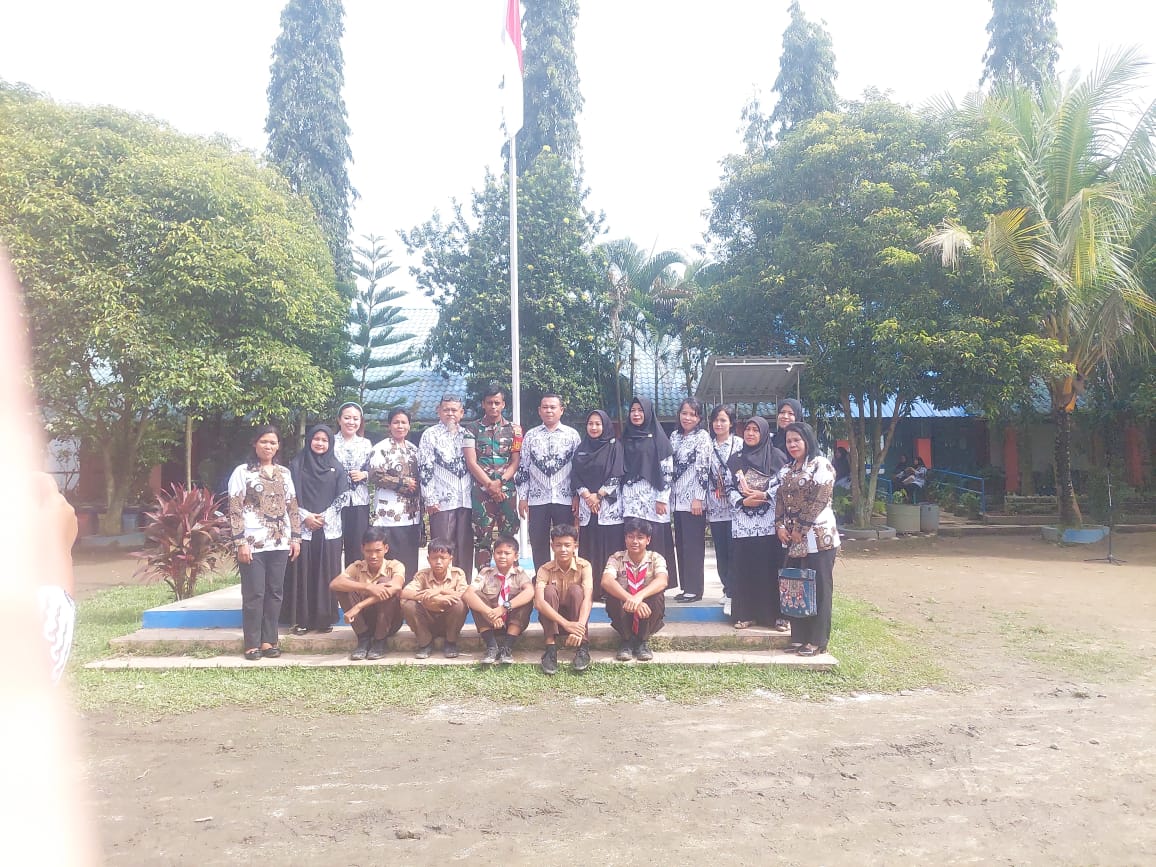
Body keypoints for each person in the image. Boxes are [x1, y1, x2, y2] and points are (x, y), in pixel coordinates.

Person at [227, 425, 302, 660]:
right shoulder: (243, 472)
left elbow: (292, 505)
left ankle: (270, 640)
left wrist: (296, 538)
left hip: (279, 542)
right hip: (253, 542)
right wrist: (240, 542)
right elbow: (235, 507)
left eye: (272, 442)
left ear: (278, 446)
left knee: (275, 592)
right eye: (264, 441)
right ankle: (252, 643)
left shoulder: (284, 473)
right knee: (254, 593)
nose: (268, 446)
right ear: (255, 444)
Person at [776, 421, 840, 656]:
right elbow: (779, 500)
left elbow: (820, 498)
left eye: (797, 440)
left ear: (807, 441)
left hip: (819, 538)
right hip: (793, 540)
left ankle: (817, 640)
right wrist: (779, 525)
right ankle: (799, 637)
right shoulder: (786, 470)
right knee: (797, 587)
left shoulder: (821, 465)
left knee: (820, 589)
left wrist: (800, 528)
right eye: (789, 441)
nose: (792, 445)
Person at [283, 424, 348, 635]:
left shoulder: (337, 467)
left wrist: (324, 517)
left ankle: (324, 619)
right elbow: (289, 495)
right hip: (303, 528)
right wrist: (306, 517)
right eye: (316, 439)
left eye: (324, 440)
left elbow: (343, 496)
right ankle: (301, 620)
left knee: (326, 574)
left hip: (328, 529)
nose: (320, 443)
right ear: (309, 440)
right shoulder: (297, 465)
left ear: (330, 443)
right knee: (303, 574)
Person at [726, 416, 788, 631]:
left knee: (770, 567)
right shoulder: (735, 459)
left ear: (763, 433)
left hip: (769, 521)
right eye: (747, 429)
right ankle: (746, 614)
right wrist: (742, 501)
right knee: (745, 568)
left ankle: (776, 616)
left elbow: (784, 485)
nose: (750, 433)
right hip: (743, 522)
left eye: (755, 430)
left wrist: (765, 494)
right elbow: (727, 487)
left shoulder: (778, 457)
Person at [516, 393, 581, 570]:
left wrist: (577, 496)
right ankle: (542, 578)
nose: (549, 411)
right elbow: (523, 467)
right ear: (539, 411)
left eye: (553, 407)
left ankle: (565, 577)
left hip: (565, 499)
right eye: (545, 407)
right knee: (538, 541)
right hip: (538, 499)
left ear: (561, 410)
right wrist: (523, 497)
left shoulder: (572, 435)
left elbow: (578, 469)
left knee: (565, 542)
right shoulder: (531, 436)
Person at [463, 384, 522, 571]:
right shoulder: (471, 429)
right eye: (489, 403)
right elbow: (471, 462)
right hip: (482, 493)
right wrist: (490, 485)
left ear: (503, 404)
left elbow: (515, 461)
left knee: (509, 537)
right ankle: (483, 579)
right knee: (483, 538)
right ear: (483, 404)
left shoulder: (515, 430)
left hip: (506, 491)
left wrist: (500, 483)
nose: (493, 406)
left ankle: (511, 578)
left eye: (497, 403)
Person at [329, 526, 405, 660]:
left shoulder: (395, 565)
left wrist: (359, 606)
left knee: (386, 583)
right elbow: (334, 583)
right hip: (365, 621)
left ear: (386, 548)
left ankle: (380, 641)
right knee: (343, 587)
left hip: (389, 623)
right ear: (362, 549)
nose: (373, 556)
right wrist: (369, 587)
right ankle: (363, 638)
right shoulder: (357, 566)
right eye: (369, 551)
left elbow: (396, 586)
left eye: (378, 551)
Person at [621, 396, 675, 583]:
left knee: (654, 541)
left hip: (653, 499)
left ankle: (657, 583)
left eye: (640, 410)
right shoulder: (625, 437)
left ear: (648, 413)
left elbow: (667, 470)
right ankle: (633, 583)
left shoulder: (659, 439)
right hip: (630, 499)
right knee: (633, 541)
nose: (636, 414)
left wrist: (662, 498)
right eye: (633, 410)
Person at [572, 409, 625, 600]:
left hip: (608, 506)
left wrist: (599, 495)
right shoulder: (581, 448)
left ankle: (611, 591)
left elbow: (617, 473)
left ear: (605, 426)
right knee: (590, 548)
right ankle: (591, 590)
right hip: (588, 507)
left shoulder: (614, 446)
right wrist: (587, 496)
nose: (593, 427)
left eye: (598, 424)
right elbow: (575, 474)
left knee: (610, 549)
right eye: (590, 424)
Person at [601, 518, 668, 662]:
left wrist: (639, 597)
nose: (635, 541)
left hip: (647, 614)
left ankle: (642, 641)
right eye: (630, 537)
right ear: (625, 539)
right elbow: (606, 581)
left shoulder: (656, 558)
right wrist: (630, 598)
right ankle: (626, 640)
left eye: (640, 537)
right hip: (624, 611)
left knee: (657, 595)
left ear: (648, 540)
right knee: (612, 595)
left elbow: (662, 580)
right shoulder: (616, 558)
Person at [419, 395, 474, 571]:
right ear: (439, 411)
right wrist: (430, 498)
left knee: (464, 548)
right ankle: (441, 585)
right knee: (442, 548)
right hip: (441, 502)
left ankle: (463, 585)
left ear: (461, 413)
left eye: (454, 410)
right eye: (446, 410)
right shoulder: (430, 435)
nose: (450, 413)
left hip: (465, 501)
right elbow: (425, 467)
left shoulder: (468, 435)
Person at [463, 534, 534, 664]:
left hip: (513, 622)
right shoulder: (485, 573)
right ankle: (491, 646)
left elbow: (530, 591)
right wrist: (491, 613)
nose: (502, 556)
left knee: (525, 598)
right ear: (493, 555)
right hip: (490, 621)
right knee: (476, 596)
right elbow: (468, 594)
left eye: (507, 553)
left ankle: (507, 648)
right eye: (498, 552)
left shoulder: (520, 573)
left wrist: (503, 608)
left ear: (516, 556)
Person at [368, 408, 422, 580]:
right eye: (396, 422)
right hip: (389, 515)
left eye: (404, 422)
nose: (400, 426)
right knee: (390, 564)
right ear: (389, 425)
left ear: (409, 425)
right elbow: (375, 475)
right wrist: (402, 483)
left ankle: (408, 595)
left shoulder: (414, 450)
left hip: (412, 514)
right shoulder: (381, 448)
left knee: (409, 563)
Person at [534, 524, 593, 675]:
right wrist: (566, 624)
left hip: (576, 619)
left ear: (575, 546)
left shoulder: (584, 566)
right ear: (552, 546)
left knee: (576, 590)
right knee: (548, 591)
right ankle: (550, 648)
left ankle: (583, 647)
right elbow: (539, 603)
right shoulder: (544, 569)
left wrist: (579, 628)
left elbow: (588, 599)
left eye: (567, 545)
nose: (563, 549)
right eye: (558, 545)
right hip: (554, 620)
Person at [669, 397, 711, 602]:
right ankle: (686, 586)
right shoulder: (674, 436)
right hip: (677, 499)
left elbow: (703, 468)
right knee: (682, 544)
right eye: (684, 413)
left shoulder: (702, 437)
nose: (687, 418)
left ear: (699, 418)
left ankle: (695, 589)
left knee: (694, 546)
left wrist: (698, 498)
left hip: (693, 500)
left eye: (692, 414)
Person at [401, 538, 469, 659]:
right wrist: (435, 598)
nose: (438, 562)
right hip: (428, 620)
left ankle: (451, 642)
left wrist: (440, 591)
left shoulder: (458, 574)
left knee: (460, 604)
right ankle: (425, 643)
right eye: (434, 558)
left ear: (450, 559)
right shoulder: (422, 575)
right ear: (428, 559)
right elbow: (404, 593)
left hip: (448, 621)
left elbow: (465, 594)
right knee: (408, 605)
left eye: (443, 558)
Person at [706, 404, 743, 612]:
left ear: (731, 423)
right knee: (720, 550)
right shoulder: (707, 445)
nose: (719, 424)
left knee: (734, 549)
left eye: (723, 420)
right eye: (716, 420)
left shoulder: (739, 444)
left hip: (735, 507)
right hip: (715, 505)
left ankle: (734, 591)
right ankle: (726, 588)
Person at [333, 401, 373, 568]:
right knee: (333, 545)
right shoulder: (330, 442)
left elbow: (374, 470)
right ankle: (334, 582)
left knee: (357, 547)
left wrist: (364, 474)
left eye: (355, 419)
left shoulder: (366, 444)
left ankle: (356, 582)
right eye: (347, 418)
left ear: (360, 421)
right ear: (339, 419)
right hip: (334, 501)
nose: (351, 422)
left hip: (359, 501)